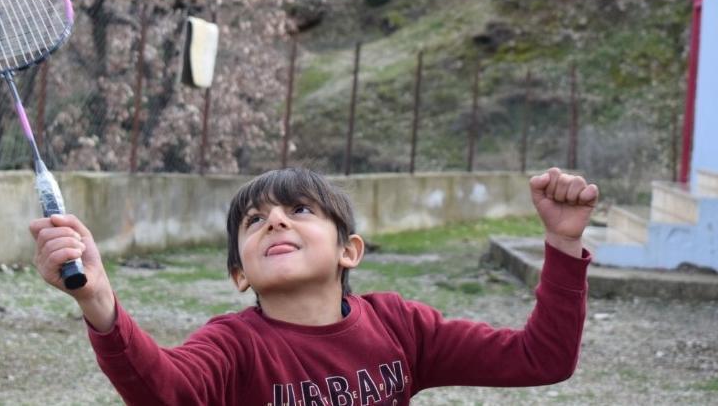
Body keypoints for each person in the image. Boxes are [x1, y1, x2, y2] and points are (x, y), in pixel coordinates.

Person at [30, 166, 598, 405]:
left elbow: (540, 358)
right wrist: (99, 302)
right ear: (240, 274)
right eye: (254, 221)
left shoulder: (401, 326)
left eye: (299, 209)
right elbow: (167, 392)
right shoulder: (233, 346)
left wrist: (564, 245)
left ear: (349, 250)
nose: (275, 220)